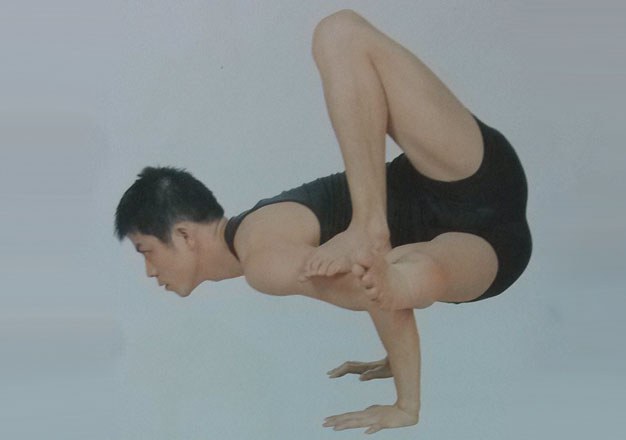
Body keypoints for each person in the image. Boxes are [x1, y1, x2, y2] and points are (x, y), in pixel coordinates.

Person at [114, 9, 532, 434]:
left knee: (339, 33)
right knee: (338, 33)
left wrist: (406, 405)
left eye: (146, 250)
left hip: (462, 219)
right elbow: (377, 286)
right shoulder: (261, 226)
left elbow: (371, 293)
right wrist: (396, 349)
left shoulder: (263, 261)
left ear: (184, 235)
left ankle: (371, 229)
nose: (149, 270)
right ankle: (385, 252)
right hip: (478, 195)